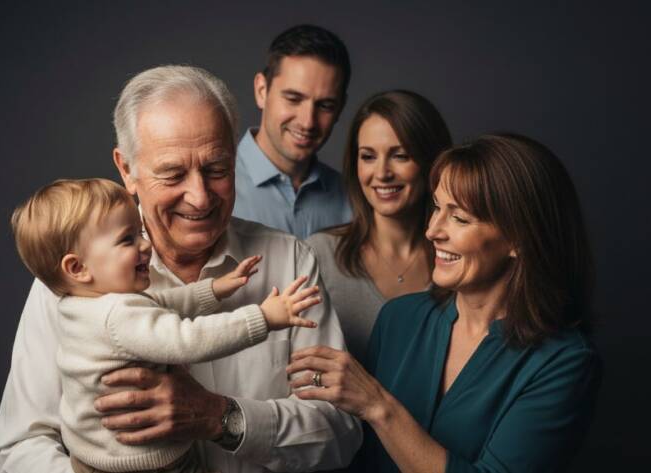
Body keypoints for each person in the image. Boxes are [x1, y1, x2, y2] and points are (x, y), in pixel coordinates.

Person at [0, 65, 362, 473]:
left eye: (217, 169)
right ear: (126, 169)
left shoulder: (290, 262)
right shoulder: (72, 285)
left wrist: (221, 418)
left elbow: (340, 433)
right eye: (172, 173)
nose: (200, 198)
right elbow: (18, 448)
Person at [288, 134, 602, 472]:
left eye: (460, 218)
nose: (433, 231)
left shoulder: (565, 362)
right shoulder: (399, 318)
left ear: (519, 240)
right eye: (437, 208)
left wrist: (378, 405)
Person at [8, 178, 322, 473]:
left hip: (89, 458)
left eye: (139, 233)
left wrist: (213, 289)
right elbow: (188, 339)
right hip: (145, 465)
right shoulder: (117, 314)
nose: (144, 246)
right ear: (78, 267)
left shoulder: (81, 303)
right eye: (127, 240)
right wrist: (263, 317)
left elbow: (160, 304)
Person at [305, 90, 451, 364]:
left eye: (400, 156)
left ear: (431, 162)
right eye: (368, 156)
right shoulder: (318, 255)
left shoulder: (456, 261)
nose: (382, 173)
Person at [233, 24, 353, 239]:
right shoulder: (211, 189)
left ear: (340, 108)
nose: (307, 122)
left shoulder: (353, 199)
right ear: (262, 91)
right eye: (293, 99)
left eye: (325, 105)